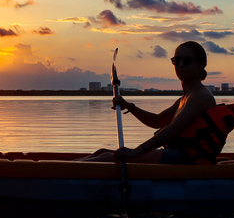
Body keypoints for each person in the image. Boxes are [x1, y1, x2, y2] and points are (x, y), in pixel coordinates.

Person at [81, 41, 217, 164]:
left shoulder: (201, 97)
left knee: (106, 158)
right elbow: (157, 121)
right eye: (176, 60)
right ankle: (66, 166)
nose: (180, 64)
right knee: (101, 152)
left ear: (201, 65)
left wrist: (137, 151)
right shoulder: (185, 98)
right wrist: (129, 106)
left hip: (185, 158)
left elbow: (172, 130)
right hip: (174, 154)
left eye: (187, 60)